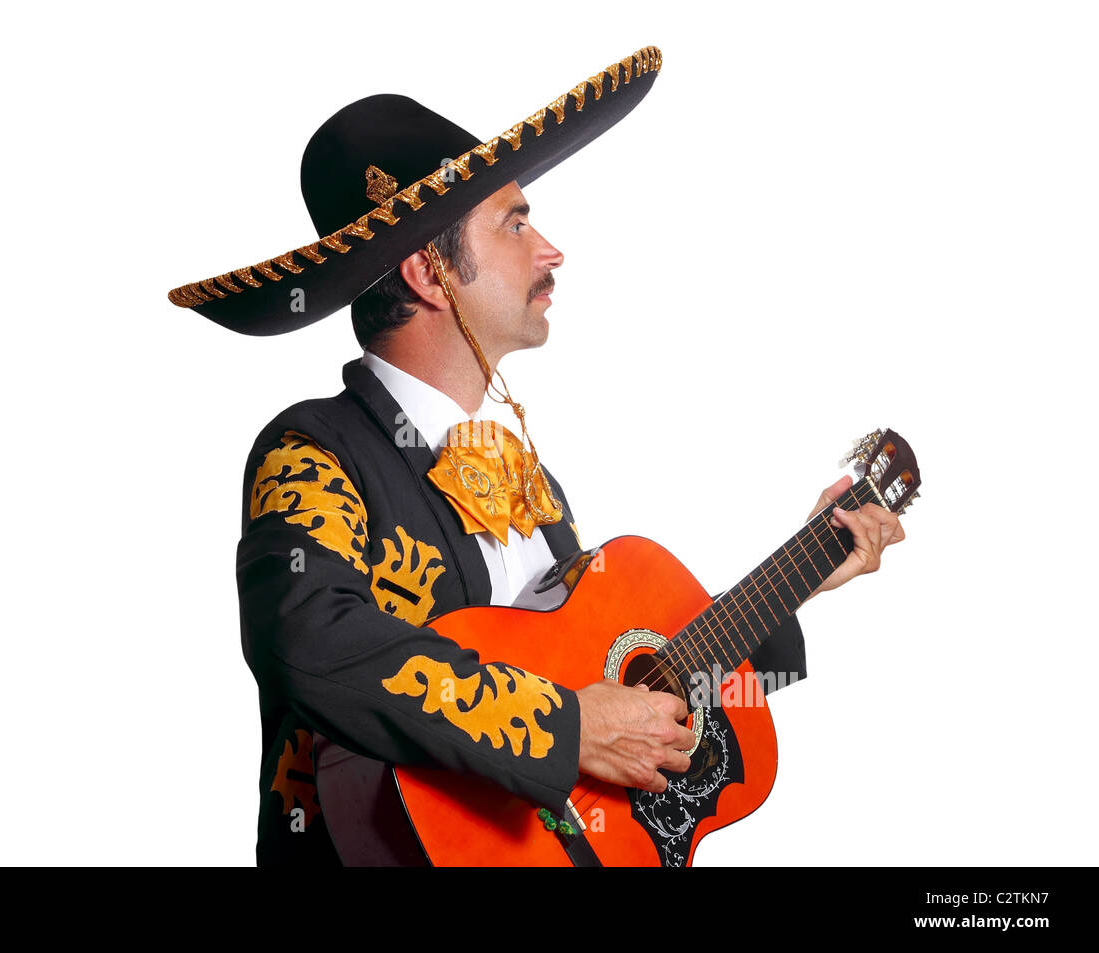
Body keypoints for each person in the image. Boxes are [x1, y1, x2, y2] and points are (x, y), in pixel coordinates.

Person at [167, 45, 904, 866]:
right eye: (515, 222)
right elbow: (308, 639)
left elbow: (637, 703)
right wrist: (566, 727)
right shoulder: (313, 450)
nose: (550, 249)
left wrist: (799, 579)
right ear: (427, 271)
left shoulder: (532, 487)